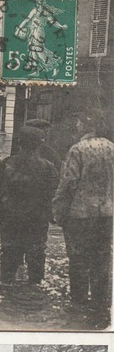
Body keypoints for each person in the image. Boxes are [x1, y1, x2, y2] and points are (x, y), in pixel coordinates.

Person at [52, 114, 114, 311]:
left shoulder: (77, 149)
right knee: (102, 257)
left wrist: (59, 210)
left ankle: (78, 301)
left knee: (78, 258)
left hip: (79, 213)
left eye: (79, 121)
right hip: (106, 212)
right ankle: (100, 300)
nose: (76, 124)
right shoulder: (111, 147)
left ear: (87, 125)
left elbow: (69, 182)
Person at [0, 125, 59, 286]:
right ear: (39, 145)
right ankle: (33, 300)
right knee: (36, 269)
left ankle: (8, 304)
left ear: (19, 142)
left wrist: (2, 215)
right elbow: (54, 197)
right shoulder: (48, 167)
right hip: (37, 223)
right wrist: (48, 216)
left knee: (7, 271)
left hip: (10, 221)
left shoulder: (4, 164)